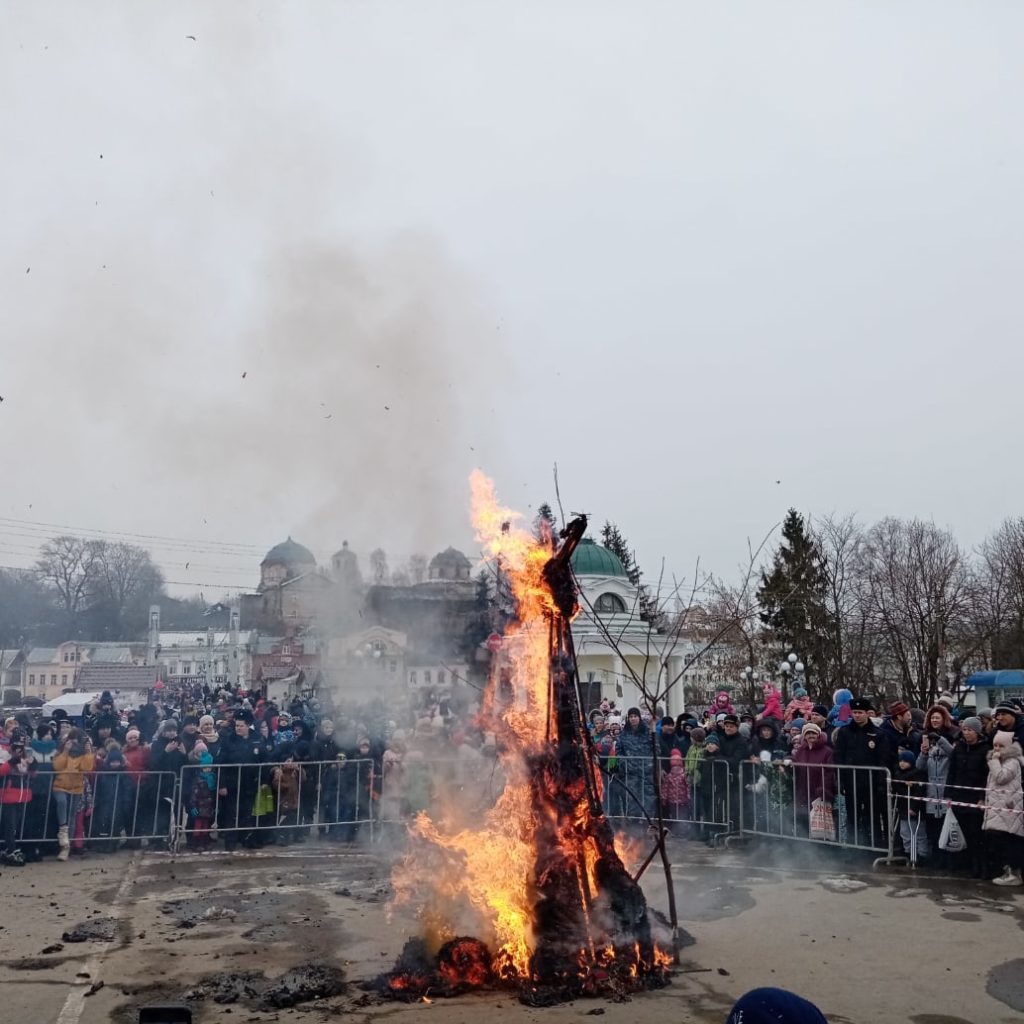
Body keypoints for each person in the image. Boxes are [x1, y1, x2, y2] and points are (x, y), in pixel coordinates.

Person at [832, 697, 889, 848]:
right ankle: (854, 847)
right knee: (853, 816)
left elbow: (883, 759)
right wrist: (841, 780)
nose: (857, 715)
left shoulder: (878, 734)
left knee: (873, 817)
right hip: (852, 782)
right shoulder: (844, 732)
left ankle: (875, 847)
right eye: (854, 712)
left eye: (860, 712)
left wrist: (880, 782)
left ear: (866, 713)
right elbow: (839, 756)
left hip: (871, 783)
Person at [946, 717, 991, 879]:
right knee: (965, 832)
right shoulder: (958, 748)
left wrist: (982, 797)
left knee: (977, 833)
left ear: (977, 732)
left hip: (975, 797)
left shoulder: (985, 749)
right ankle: (969, 865)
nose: (966, 733)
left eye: (970, 730)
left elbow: (986, 776)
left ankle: (982, 866)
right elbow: (952, 772)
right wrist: (948, 794)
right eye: (964, 730)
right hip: (959, 795)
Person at [983, 731, 1024, 886]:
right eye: (995, 745)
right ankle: (1007, 871)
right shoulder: (999, 759)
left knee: (1009, 841)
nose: (997, 748)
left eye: (1001, 745)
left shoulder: (1012, 761)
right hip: (998, 806)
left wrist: (994, 762)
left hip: (1008, 806)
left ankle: (1013, 874)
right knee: (1000, 841)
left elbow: (1001, 777)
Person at [916, 719, 956, 867]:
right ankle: (937, 858)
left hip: (945, 792)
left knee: (947, 828)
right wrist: (923, 753)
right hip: (932, 793)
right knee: (933, 829)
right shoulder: (930, 752)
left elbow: (953, 754)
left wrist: (941, 740)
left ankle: (948, 859)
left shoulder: (949, 750)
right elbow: (920, 766)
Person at [52, 728, 95, 861]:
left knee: (72, 815)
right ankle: (63, 835)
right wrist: (65, 750)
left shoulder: (83, 753)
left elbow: (86, 768)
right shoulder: (62, 750)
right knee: (62, 804)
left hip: (76, 787)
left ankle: (66, 847)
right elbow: (57, 766)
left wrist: (88, 752)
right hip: (60, 785)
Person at [790, 722, 835, 835]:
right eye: (808, 733)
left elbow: (830, 772)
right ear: (804, 736)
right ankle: (804, 843)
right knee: (803, 817)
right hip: (803, 788)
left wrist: (824, 789)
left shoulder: (827, 751)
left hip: (818, 789)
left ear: (818, 734)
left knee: (818, 820)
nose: (811, 736)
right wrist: (788, 761)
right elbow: (795, 762)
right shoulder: (801, 750)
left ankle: (820, 845)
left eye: (813, 733)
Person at [0, 736, 33, 864]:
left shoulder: (26, 756)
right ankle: (10, 849)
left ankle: (10, 848)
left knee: (15, 826)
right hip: (8, 796)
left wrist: (33, 764)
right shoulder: (4, 755)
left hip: (22, 795)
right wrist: (12, 762)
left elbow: (33, 774)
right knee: (10, 825)